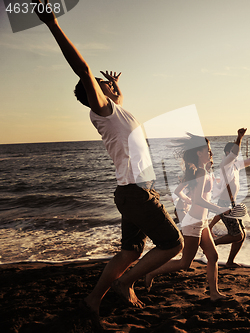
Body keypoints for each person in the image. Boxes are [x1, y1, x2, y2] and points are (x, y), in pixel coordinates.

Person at [32, 1, 183, 328]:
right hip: (136, 194)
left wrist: (117, 85)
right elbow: (84, 71)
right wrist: (53, 23)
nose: (110, 89)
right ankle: (124, 283)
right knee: (173, 244)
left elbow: (119, 99)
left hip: (133, 192)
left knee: (129, 252)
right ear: (95, 95)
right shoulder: (101, 111)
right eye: (105, 88)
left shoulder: (118, 111)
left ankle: (92, 300)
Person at [145, 134, 229, 301]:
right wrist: (218, 208)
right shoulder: (199, 172)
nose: (211, 153)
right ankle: (151, 271)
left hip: (202, 222)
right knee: (185, 263)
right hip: (194, 223)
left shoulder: (199, 171)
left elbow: (180, 192)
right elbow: (199, 199)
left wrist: (186, 199)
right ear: (199, 152)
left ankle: (214, 294)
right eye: (208, 150)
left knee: (213, 256)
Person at [209, 129, 250, 267]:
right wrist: (239, 137)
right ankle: (211, 244)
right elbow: (236, 151)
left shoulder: (236, 165)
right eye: (234, 153)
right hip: (226, 203)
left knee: (241, 235)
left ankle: (230, 261)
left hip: (233, 203)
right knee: (237, 235)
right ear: (228, 154)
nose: (236, 155)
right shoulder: (225, 163)